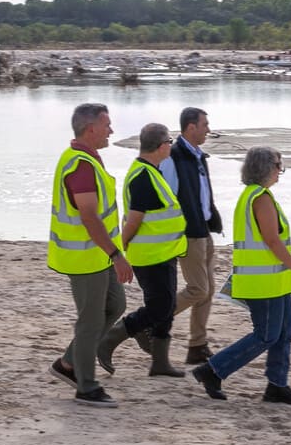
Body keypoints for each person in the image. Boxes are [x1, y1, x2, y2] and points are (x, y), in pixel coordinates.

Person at [191, 146, 291, 406]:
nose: (281, 171)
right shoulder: (260, 198)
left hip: (274, 281)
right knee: (266, 335)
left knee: (285, 330)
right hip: (262, 283)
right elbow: (272, 241)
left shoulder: (257, 195)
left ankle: (277, 385)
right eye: (279, 165)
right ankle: (212, 370)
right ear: (266, 168)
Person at [47, 102, 132, 408]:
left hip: (97, 254)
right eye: (107, 125)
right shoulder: (80, 165)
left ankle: (68, 363)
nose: (111, 130)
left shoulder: (88, 160)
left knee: (116, 305)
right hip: (85, 257)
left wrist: (112, 253)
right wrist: (116, 254)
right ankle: (86, 386)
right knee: (90, 321)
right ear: (91, 128)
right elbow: (89, 217)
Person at [96, 123, 189, 379]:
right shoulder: (143, 177)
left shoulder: (152, 171)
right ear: (161, 146)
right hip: (148, 257)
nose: (171, 145)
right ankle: (109, 339)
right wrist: (118, 255)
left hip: (164, 253)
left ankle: (160, 362)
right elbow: (134, 221)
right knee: (159, 308)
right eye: (169, 142)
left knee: (166, 307)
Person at [160, 106, 224, 364]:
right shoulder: (174, 156)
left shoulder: (198, 156)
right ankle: (152, 319)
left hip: (204, 230)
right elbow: (168, 196)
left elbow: (202, 194)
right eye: (204, 124)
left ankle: (197, 345)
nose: (208, 129)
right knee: (198, 289)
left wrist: (212, 217)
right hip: (188, 233)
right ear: (190, 127)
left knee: (207, 291)